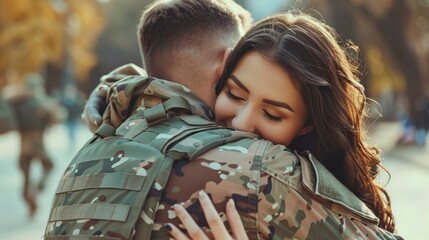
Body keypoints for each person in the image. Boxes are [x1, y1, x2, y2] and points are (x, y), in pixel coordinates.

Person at [48, 1, 402, 240]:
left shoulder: (84, 163)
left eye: (273, 113)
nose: (243, 125)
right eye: (233, 93)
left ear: (309, 124)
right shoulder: (263, 171)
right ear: (226, 66)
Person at [2, 73, 60, 218]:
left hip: (23, 145)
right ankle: (39, 186)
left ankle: (30, 201)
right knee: (49, 165)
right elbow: (56, 119)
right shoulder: (42, 102)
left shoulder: (17, 103)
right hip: (38, 144)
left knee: (26, 178)